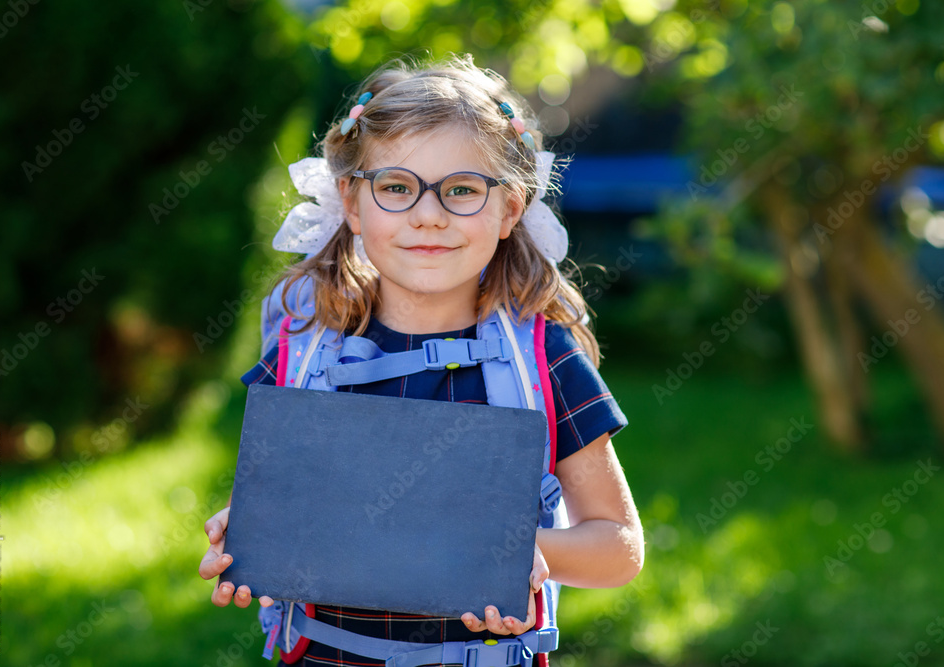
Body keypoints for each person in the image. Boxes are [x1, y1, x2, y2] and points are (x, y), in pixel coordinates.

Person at [199, 52, 644, 667]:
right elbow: (288, 500)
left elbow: (619, 547)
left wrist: (519, 549)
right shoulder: (306, 347)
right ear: (353, 203)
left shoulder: (541, 358)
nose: (428, 215)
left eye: (462, 190)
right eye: (397, 188)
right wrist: (249, 530)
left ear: (510, 209)